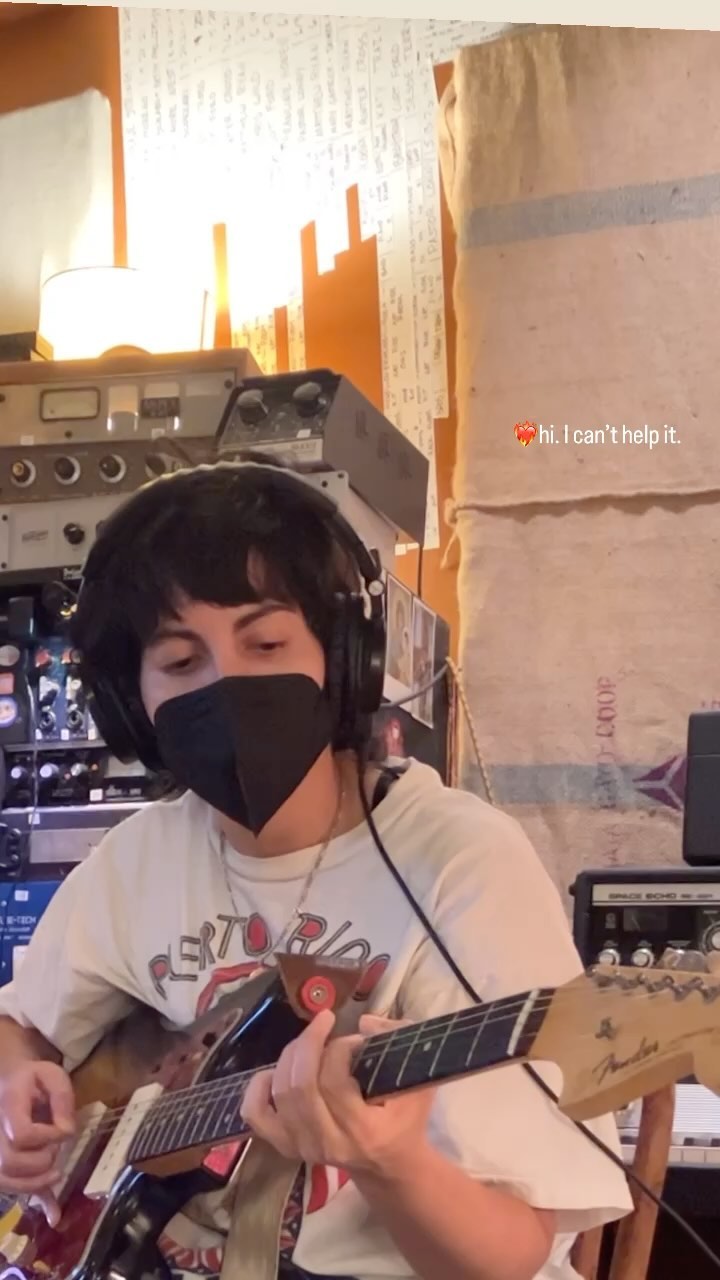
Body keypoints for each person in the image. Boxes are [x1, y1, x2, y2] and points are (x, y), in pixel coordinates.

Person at [0, 460, 632, 1280]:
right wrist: (15, 1094)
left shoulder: (463, 865)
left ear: (343, 661)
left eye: (266, 644)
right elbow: (20, 1027)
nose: (227, 685)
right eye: (182, 662)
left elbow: (508, 1259)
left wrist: (392, 1162)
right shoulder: (138, 857)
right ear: (131, 705)